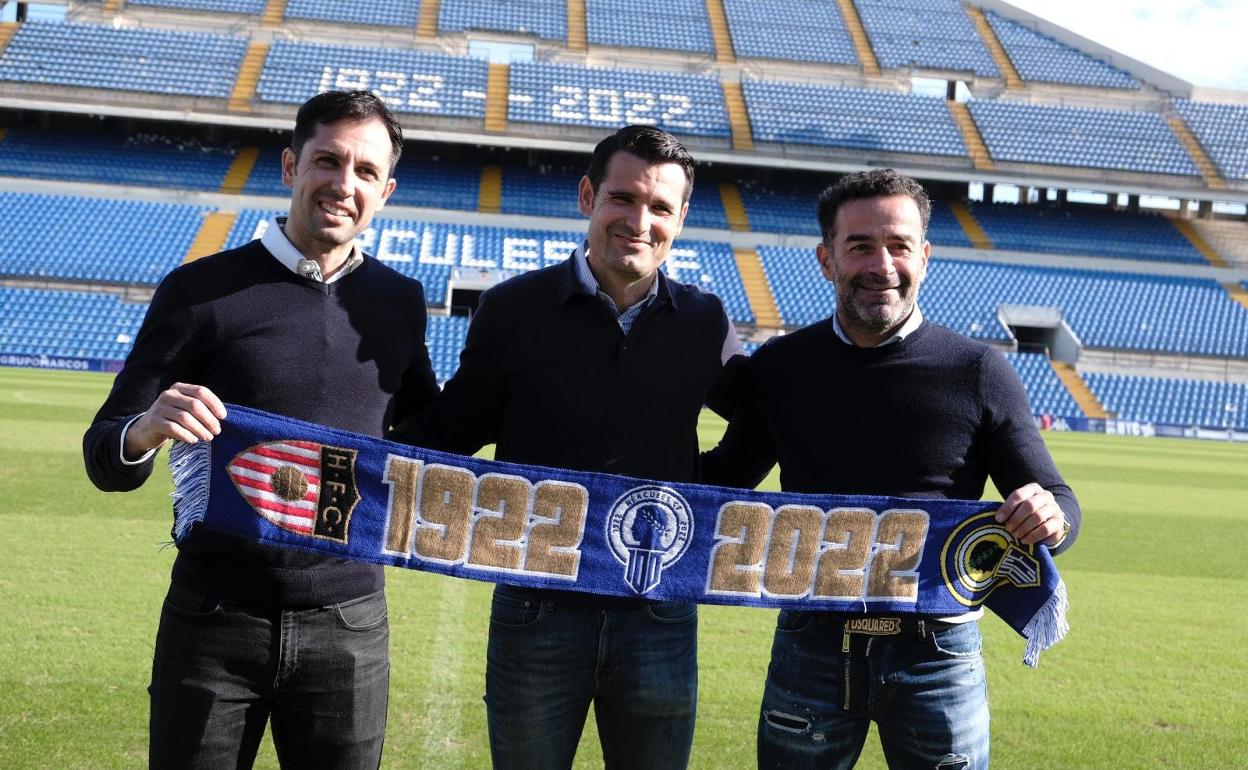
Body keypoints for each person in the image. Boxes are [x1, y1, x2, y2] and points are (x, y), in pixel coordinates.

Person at [83, 90, 439, 769]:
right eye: (327, 161)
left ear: (386, 190)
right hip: (214, 620)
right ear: (289, 166)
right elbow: (104, 451)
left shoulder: (399, 301)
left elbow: (428, 433)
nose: (343, 184)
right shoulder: (198, 290)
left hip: (350, 625)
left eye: (366, 171)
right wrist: (147, 429)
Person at [702, 169, 1081, 770]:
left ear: (924, 256)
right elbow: (721, 481)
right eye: (860, 247)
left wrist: (1049, 516)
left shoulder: (979, 370)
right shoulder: (780, 367)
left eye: (899, 245)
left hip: (940, 653)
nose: (882, 264)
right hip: (811, 645)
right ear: (826, 259)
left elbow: (1057, 499)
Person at [391, 125, 742, 770]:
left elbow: (764, 420)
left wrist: (707, 490)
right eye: (623, 199)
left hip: (656, 612)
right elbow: (452, 429)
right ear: (588, 196)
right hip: (537, 608)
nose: (640, 221)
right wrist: (328, 435)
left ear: (681, 217)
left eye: (660, 207)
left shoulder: (703, 321)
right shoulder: (511, 309)